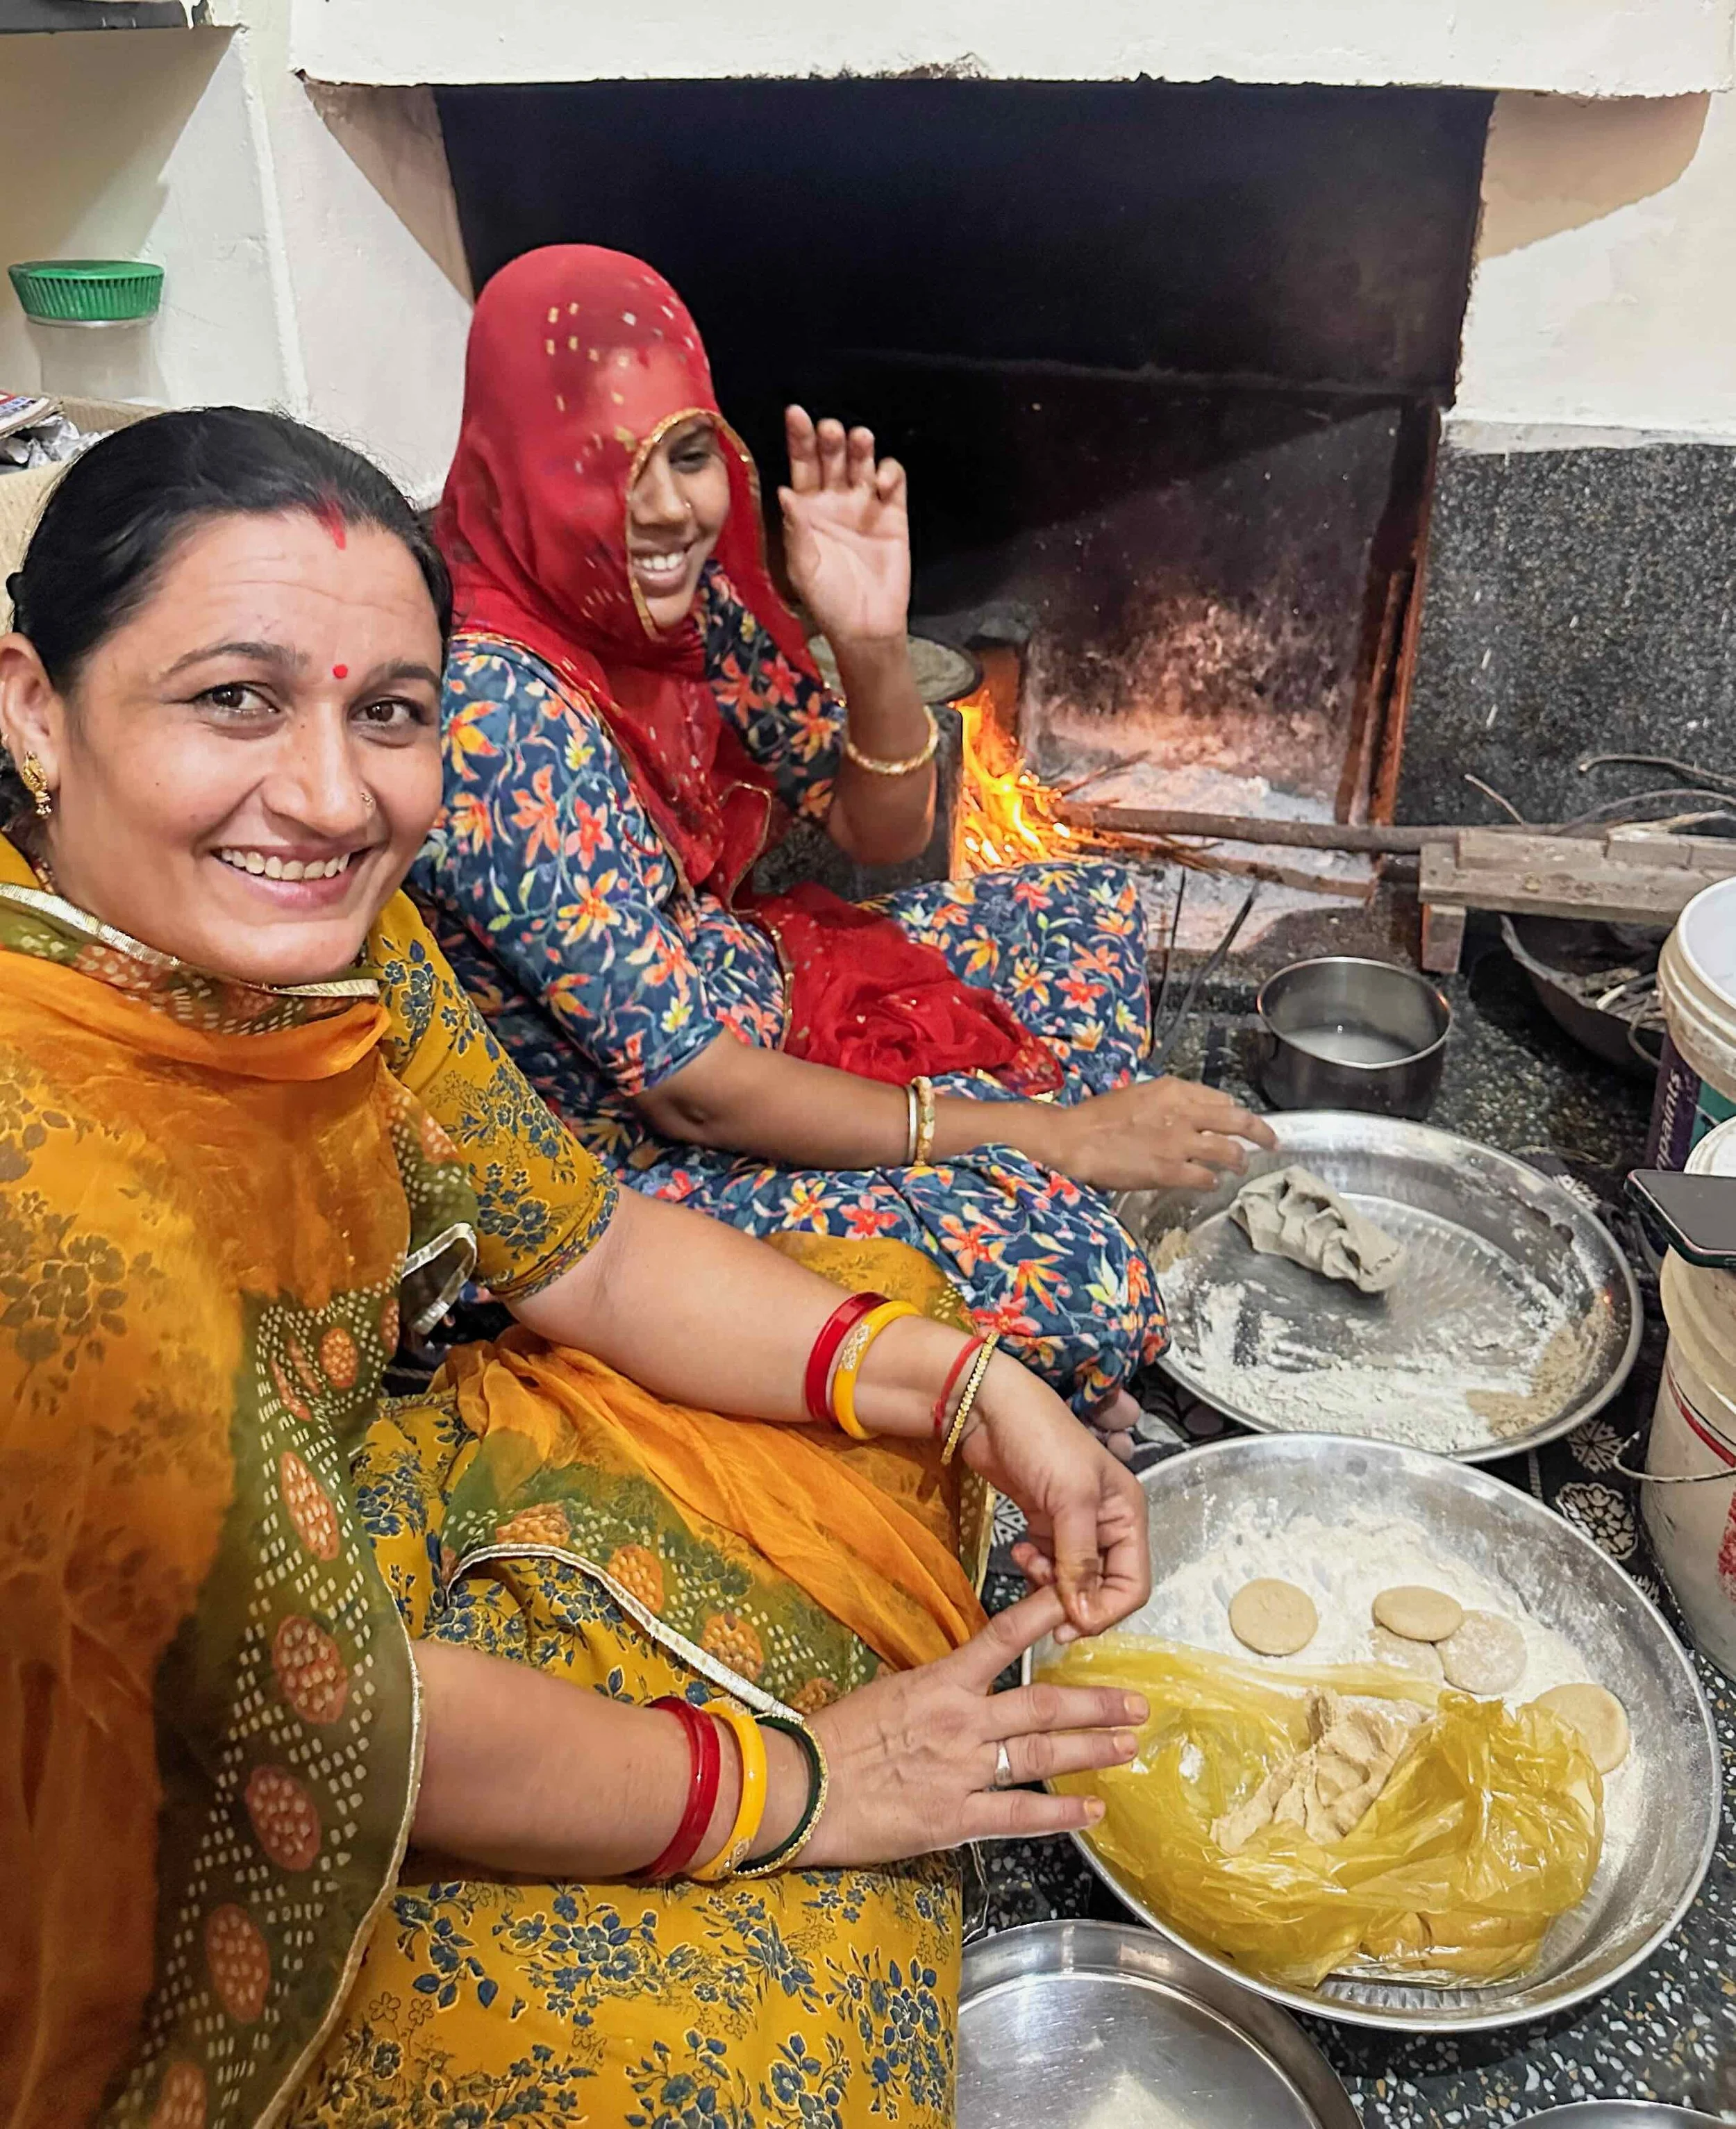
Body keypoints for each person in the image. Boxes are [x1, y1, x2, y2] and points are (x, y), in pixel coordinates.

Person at [0, 408, 1153, 2129]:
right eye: (232, 699)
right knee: (812, 2027)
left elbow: (588, 1244)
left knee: (905, 1368)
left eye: (387, 712)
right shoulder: (60, 1203)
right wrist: (806, 1785)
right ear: (35, 707)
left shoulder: (333, 941)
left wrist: (968, 1391)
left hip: (379, 1487)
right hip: (198, 1783)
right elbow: (333, 1710)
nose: (327, 794)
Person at [414, 244, 1274, 1430]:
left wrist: (869, 636)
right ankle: (1026, 1195)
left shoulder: (666, 604)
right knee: (1086, 1287)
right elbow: (698, 1096)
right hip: (618, 1184)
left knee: (1089, 910)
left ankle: (1018, 1174)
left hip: (749, 992)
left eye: (686, 452)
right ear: (518, 469)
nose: (667, 509)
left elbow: (880, 826)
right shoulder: (492, 717)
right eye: (604, 467)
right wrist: (1053, 1134)